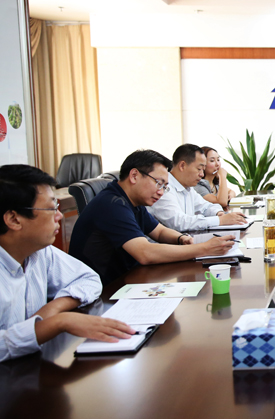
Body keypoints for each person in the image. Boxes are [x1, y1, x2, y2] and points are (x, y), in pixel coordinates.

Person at [0, 165, 135, 362]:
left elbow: (89, 278)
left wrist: (54, 308)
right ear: (14, 219)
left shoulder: (40, 251)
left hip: (36, 365)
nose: (59, 215)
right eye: (51, 208)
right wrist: (57, 323)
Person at [70, 149, 236, 284]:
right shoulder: (112, 204)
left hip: (128, 278)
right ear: (134, 176)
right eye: (158, 183)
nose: (161, 192)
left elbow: (159, 231)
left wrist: (180, 239)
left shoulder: (133, 202)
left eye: (165, 186)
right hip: (104, 291)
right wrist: (204, 248)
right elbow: (145, 253)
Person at [148, 144, 247, 231]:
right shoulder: (164, 188)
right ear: (182, 166)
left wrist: (219, 213)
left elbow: (206, 206)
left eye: (203, 169)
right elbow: (178, 222)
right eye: (199, 169)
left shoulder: (188, 188)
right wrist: (219, 220)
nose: (201, 174)